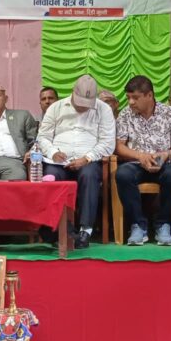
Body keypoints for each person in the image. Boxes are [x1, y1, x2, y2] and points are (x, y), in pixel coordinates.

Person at [37, 75, 116, 249]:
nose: (83, 107)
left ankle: (85, 230)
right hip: (58, 161)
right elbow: (42, 137)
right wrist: (53, 152)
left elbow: (107, 143)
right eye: (80, 102)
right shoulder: (56, 107)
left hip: (88, 160)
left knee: (89, 175)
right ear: (73, 92)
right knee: (51, 176)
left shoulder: (103, 109)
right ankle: (55, 227)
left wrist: (87, 158)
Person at [115, 75, 171, 246]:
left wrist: (166, 154)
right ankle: (138, 226)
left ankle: (163, 225)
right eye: (128, 97)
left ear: (149, 95)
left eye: (135, 97)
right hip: (136, 163)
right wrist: (140, 156)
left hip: (164, 163)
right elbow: (119, 147)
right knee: (122, 174)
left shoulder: (169, 113)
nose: (131, 102)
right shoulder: (126, 114)